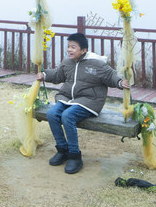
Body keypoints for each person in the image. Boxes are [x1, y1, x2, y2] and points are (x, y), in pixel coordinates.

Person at [36, 32, 130, 174]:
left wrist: (120, 82)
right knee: (52, 113)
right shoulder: (67, 62)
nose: (69, 50)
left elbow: (111, 75)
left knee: (67, 116)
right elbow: (57, 75)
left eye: (73, 47)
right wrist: (44, 75)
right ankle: (62, 150)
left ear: (83, 50)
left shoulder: (96, 64)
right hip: (68, 98)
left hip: (89, 100)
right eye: (68, 46)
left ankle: (75, 156)